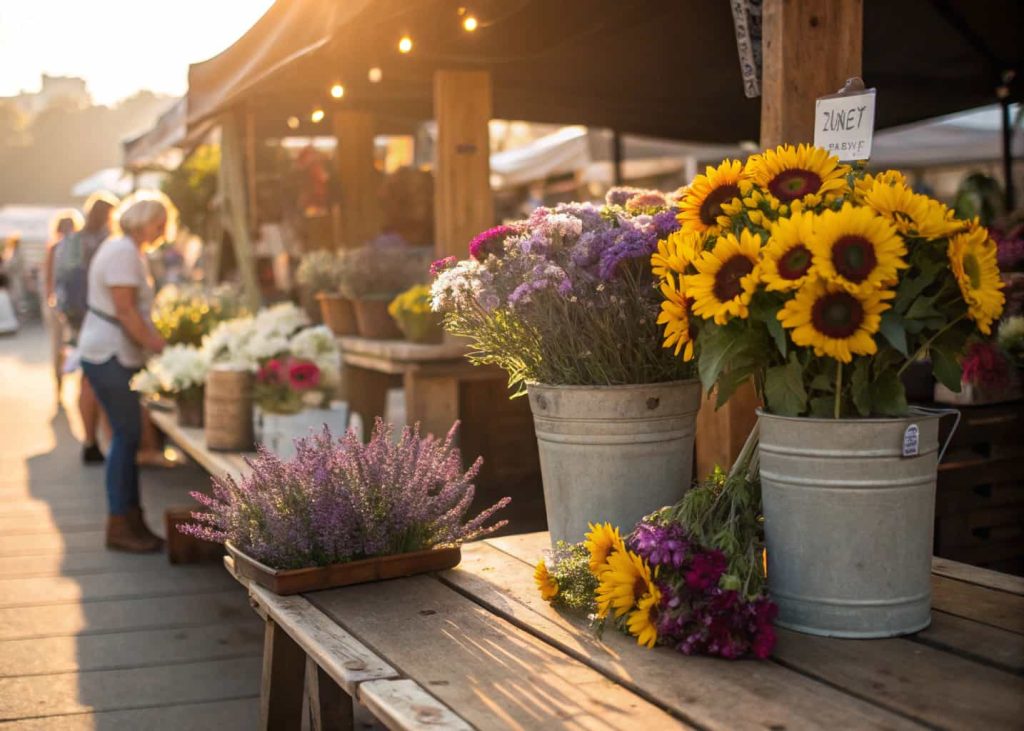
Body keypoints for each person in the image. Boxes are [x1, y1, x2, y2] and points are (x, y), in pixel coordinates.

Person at [78, 192, 173, 552]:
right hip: (109, 353)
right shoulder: (122, 252)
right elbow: (126, 312)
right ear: (146, 219)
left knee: (127, 435)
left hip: (113, 352)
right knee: (126, 435)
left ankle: (131, 518)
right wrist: (159, 346)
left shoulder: (126, 250)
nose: (163, 229)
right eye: (159, 222)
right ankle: (121, 521)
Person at [55, 192, 120, 462]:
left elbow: (59, 277)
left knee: (86, 378)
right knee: (101, 380)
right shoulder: (107, 242)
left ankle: (90, 439)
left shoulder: (71, 240)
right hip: (102, 317)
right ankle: (107, 439)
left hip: (76, 316)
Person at [43, 210, 84, 397]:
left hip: (60, 304)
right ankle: (64, 388)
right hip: (71, 305)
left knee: (60, 347)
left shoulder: (56, 247)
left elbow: (48, 280)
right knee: (71, 346)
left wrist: (50, 301)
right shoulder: (73, 247)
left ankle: (62, 388)